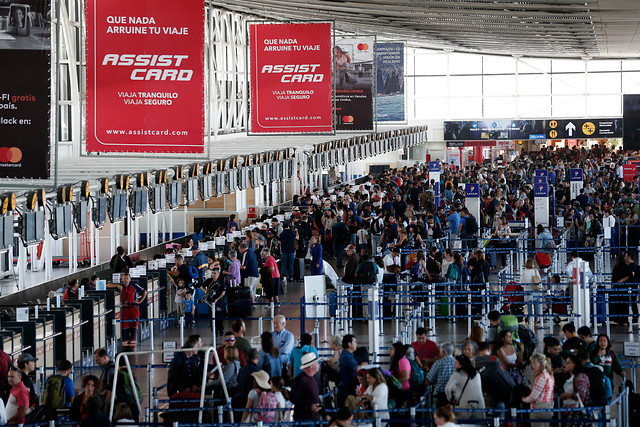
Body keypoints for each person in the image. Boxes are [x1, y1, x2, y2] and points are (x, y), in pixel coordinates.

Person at [108, 273, 147, 351]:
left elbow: (145, 292)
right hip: (124, 310)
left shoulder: (134, 286)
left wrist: (140, 301)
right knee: (125, 328)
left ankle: (132, 346)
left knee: (133, 328)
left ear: (130, 279)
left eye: (127, 278)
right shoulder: (120, 286)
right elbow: (107, 285)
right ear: (122, 279)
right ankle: (125, 346)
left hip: (133, 309)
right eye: (124, 278)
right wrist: (116, 285)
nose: (126, 280)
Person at [522, 353, 555, 427]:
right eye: (532, 363)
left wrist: (524, 399)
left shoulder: (541, 377)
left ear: (541, 363)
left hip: (539, 408)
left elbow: (534, 396)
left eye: (534, 363)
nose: (532, 366)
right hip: (549, 407)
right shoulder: (550, 375)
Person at [290, 353, 322, 422]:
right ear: (311, 366)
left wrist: (324, 413)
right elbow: (293, 398)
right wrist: (309, 407)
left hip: (309, 418)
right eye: (316, 362)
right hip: (303, 419)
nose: (319, 364)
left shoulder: (311, 378)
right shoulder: (301, 380)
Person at [426, 342, 456, 407]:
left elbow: (429, 380)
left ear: (443, 352)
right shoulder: (457, 362)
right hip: (454, 394)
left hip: (441, 396)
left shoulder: (438, 363)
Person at [337, 334, 359, 406]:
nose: (356, 344)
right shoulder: (347, 356)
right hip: (347, 389)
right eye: (354, 342)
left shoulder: (348, 355)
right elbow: (355, 368)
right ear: (349, 344)